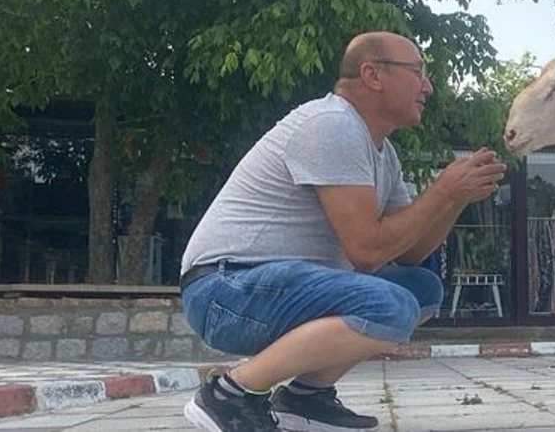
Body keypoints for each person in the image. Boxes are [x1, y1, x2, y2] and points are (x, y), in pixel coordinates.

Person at [178, 31, 507, 432]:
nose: (428, 86)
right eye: (418, 72)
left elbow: (409, 253)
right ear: (372, 75)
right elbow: (366, 250)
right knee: (391, 305)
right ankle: (228, 396)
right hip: (225, 289)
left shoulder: (381, 151)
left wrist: (454, 198)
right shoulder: (331, 125)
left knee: (421, 289)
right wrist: (441, 189)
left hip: (267, 288)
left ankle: (306, 398)